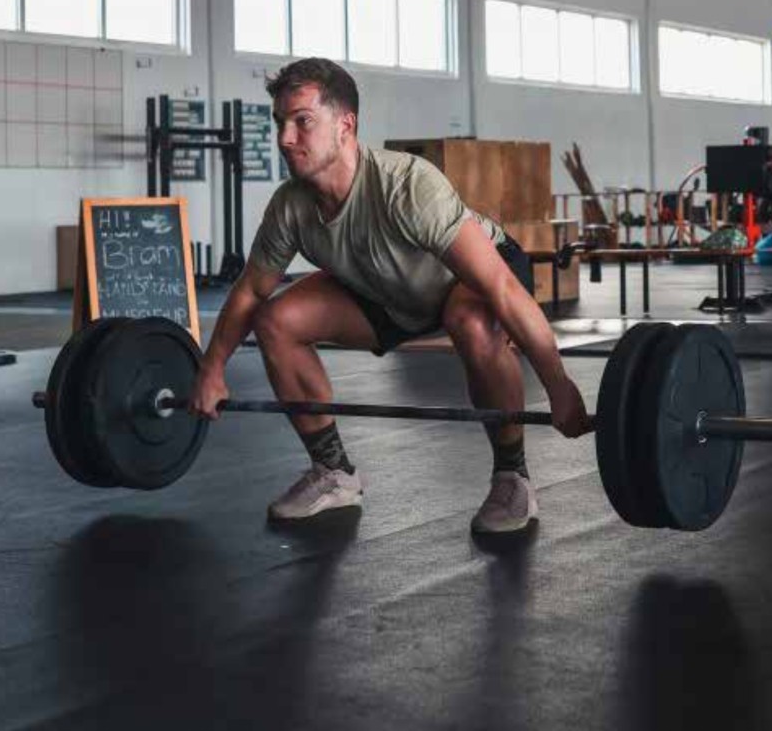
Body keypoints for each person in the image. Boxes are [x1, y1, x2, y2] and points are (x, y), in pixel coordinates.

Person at [188, 58, 592, 533]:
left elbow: (498, 285)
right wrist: (211, 369)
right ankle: (333, 471)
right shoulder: (290, 206)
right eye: (281, 123)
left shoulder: (406, 185)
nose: (285, 138)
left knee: (473, 321)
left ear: (345, 125)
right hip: (385, 290)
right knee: (277, 319)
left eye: (302, 122)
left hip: (466, 280)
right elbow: (249, 291)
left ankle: (512, 476)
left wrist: (558, 385)